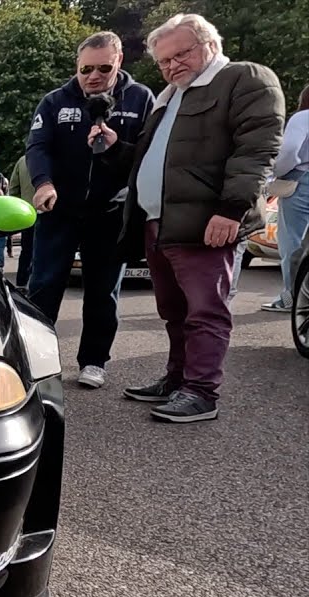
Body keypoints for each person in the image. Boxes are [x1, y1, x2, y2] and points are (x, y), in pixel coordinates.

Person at [108, 13, 284, 423]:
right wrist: (117, 148)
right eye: (164, 61)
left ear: (210, 44)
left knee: (205, 311)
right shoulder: (171, 95)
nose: (172, 66)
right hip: (161, 221)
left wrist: (231, 210)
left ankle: (201, 392)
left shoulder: (244, 78)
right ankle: (177, 380)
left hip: (207, 222)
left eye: (180, 54)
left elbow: (257, 150)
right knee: (174, 311)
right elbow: (152, 160)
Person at [25, 31, 155, 390]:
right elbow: (37, 146)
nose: (93, 76)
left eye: (103, 68)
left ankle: (94, 361)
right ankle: (36, 359)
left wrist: (117, 147)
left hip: (110, 212)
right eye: (86, 69)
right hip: (59, 209)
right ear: (77, 66)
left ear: (119, 62)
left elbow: (149, 154)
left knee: (103, 291)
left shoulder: (141, 98)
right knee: (44, 286)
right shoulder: (54, 101)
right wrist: (43, 183)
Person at [260, 83, 309, 312]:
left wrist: (276, 173)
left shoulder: (302, 118)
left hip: (301, 181)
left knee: (293, 242)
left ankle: (291, 299)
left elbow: (289, 150)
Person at [8, 153, 36, 287]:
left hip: (28, 213)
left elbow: (13, 189)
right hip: (50, 213)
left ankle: (21, 283)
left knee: (26, 250)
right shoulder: (55, 157)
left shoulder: (22, 161)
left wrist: (22, 206)